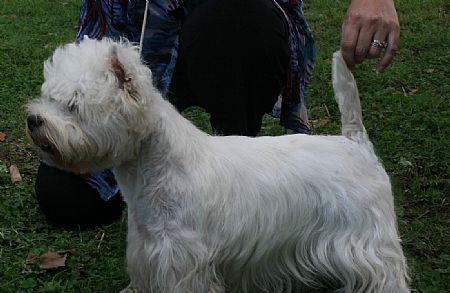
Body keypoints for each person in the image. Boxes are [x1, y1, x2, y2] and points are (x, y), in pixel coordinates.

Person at [35, 0, 399, 227]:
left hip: (228, 33)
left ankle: (241, 178)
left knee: (235, 15)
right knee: (66, 200)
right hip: (142, 55)